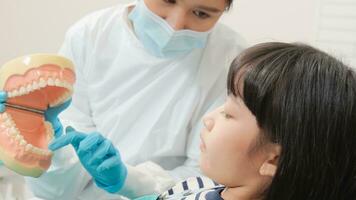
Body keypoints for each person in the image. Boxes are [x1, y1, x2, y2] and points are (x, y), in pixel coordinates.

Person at [1, 0, 245, 199]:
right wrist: (38, 139)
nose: (175, 25)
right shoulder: (90, 36)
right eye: (168, 0)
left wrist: (128, 181)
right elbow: (56, 190)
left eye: (201, 14)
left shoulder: (231, 59)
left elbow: (207, 175)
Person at [80, 42, 355, 200]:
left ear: (272, 160)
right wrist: (124, 181)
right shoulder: (210, 186)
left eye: (229, 113)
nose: (209, 119)